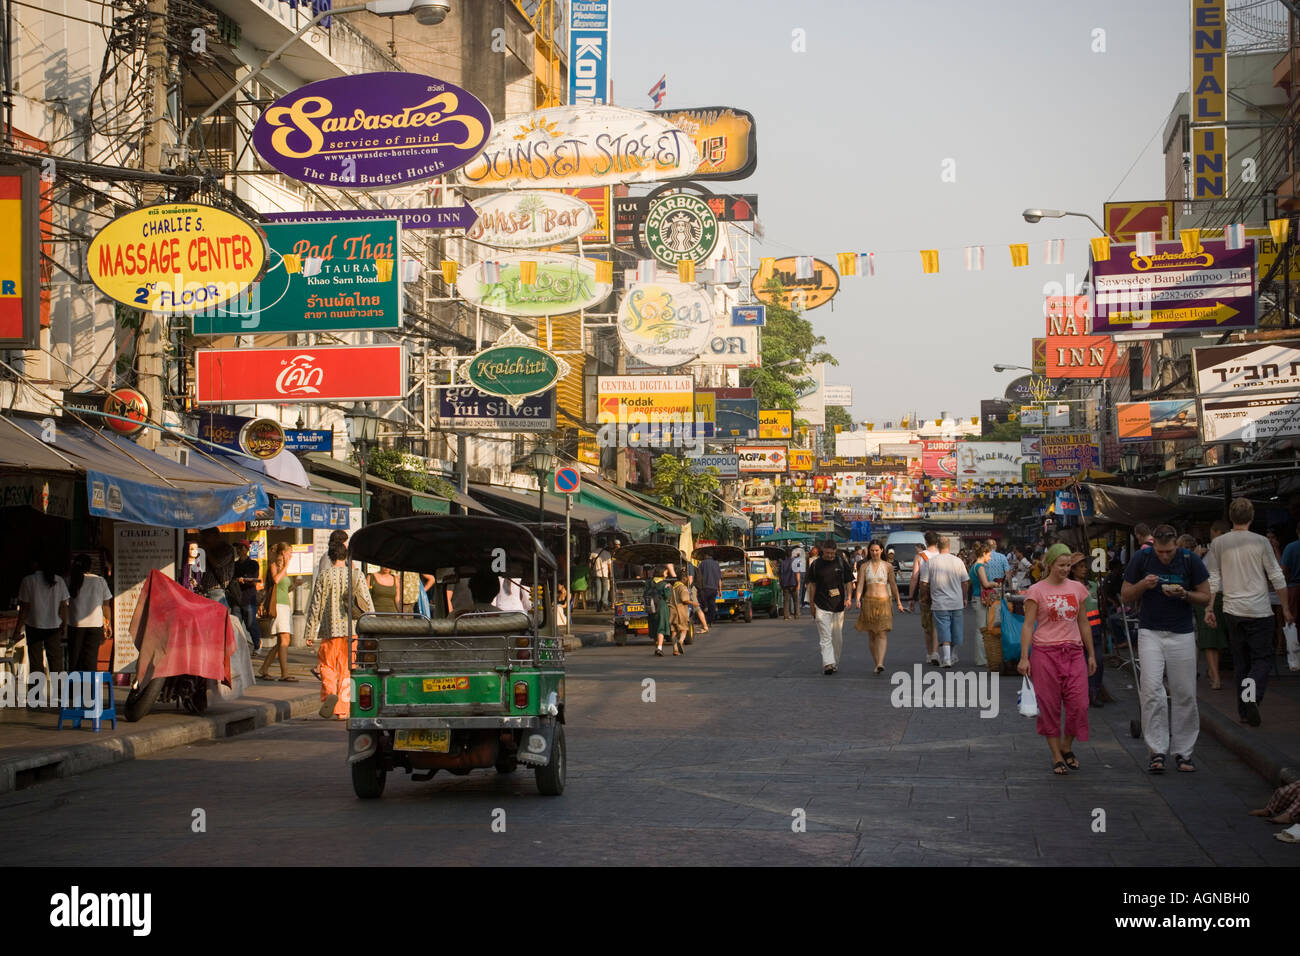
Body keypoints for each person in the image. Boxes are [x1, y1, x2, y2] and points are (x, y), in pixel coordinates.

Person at [1121, 526, 1210, 773]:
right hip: (1150, 630)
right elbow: (1126, 594)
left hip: (1181, 632)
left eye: (1168, 551)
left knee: (1185, 692)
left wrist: (1185, 594)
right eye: (1160, 552)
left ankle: (1183, 751)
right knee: (1150, 690)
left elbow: (1205, 596)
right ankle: (1157, 750)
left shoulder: (1189, 560)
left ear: (1176, 545)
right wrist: (1142, 585)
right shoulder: (1142, 557)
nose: (1164, 556)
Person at [1204, 498, 1294, 727]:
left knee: (1241, 660)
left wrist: (1209, 606)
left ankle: (1244, 710)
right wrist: (1284, 607)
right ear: (1252, 517)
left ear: (1231, 518)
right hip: (1259, 609)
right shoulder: (1261, 542)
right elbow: (1276, 575)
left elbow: (1213, 578)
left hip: (1232, 610)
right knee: (1262, 658)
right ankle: (1252, 693)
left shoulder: (1219, 543)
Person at [1020, 543, 1097, 775]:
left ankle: (1066, 746)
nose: (1065, 569)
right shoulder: (1037, 590)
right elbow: (1028, 625)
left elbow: (1084, 622)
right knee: (1050, 707)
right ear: (1050, 564)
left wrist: (1091, 653)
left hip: (1073, 652)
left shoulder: (1078, 589)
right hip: (1045, 654)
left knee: (1079, 705)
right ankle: (1056, 755)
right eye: (1061, 565)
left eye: (1068, 565)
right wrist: (1025, 657)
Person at [302, 540, 373, 719]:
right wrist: (372, 626)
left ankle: (330, 691)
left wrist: (310, 632)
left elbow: (315, 605)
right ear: (346, 556)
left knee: (327, 665)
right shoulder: (357, 575)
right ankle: (343, 709)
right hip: (352, 631)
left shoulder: (324, 576)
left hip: (329, 631)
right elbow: (368, 604)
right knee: (349, 669)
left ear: (331, 556)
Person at [15, 555, 70, 678]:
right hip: (54, 626)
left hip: (33, 625)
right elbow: (63, 605)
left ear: (35, 564)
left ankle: (36, 695)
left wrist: (18, 629)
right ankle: (60, 692)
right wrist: (64, 624)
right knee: (55, 661)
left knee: (35, 662)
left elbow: (24, 608)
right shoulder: (58, 580)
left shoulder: (28, 580)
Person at [853, 541, 904, 673]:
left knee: (882, 633)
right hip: (868, 602)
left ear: (882, 550)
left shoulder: (888, 566)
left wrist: (898, 601)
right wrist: (857, 599)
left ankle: (880, 662)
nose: (875, 553)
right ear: (869, 551)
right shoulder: (864, 566)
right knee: (871, 634)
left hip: (884, 602)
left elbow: (893, 585)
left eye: (877, 550)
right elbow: (860, 585)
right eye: (872, 550)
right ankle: (877, 662)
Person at [918, 536, 968, 668]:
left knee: (944, 629)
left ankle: (946, 658)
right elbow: (965, 582)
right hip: (956, 602)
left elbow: (923, 583)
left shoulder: (931, 562)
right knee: (955, 629)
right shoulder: (958, 561)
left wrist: (924, 596)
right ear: (949, 546)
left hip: (939, 603)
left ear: (938, 546)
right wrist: (964, 597)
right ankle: (952, 655)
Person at [807, 540, 855, 674]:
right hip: (821, 604)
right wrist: (811, 605)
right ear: (822, 550)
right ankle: (828, 663)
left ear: (835, 551)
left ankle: (834, 662)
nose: (830, 556)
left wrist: (849, 598)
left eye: (832, 553)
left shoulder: (840, 562)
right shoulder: (816, 564)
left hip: (838, 605)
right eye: (827, 553)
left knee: (837, 638)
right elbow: (812, 586)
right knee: (825, 636)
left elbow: (849, 581)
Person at [1191, 523, 1229, 690]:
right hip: (1215, 597)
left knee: (1214, 638)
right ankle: (1214, 674)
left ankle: (1214, 675)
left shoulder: (1213, 553)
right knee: (1212, 639)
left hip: (1214, 598)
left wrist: (1196, 558)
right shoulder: (1220, 552)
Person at [1068, 553, 1105, 708]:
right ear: (1073, 570)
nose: (1084, 570)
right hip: (1077, 630)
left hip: (1095, 629)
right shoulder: (1069, 587)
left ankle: (1094, 692)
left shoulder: (1093, 585)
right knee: (1081, 664)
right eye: (1080, 567)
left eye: (1085, 566)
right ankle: (1082, 693)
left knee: (1098, 662)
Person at [65, 554, 113, 673]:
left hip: (75, 626)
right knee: (90, 663)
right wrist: (108, 624)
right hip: (94, 626)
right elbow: (106, 606)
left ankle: (74, 690)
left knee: (74, 662)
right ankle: (90, 691)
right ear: (90, 566)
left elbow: (63, 605)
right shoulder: (99, 580)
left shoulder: (68, 580)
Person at [257, 542, 296, 682]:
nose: (291, 555)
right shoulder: (274, 566)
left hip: (285, 606)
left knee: (282, 641)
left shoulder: (284, 569)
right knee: (284, 639)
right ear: (283, 553)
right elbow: (275, 580)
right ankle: (284, 673)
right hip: (278, 606)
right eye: (289, 553)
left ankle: (264, 668)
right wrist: (285, 566)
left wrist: (294, 586)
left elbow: (284, 588)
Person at [908, 531, 941, 664]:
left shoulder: (920, 556)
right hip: (940, 592)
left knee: (927, 625)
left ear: (926, 542)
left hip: (925, 593)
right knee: (937, 624)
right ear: (937, 542)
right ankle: (935, 652)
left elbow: (915, 577)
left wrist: (911, 598)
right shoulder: (942, 555)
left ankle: (928, 653)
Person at [232, 540, 262, 651]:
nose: (238, 550)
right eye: (237, 548)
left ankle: (257, 644)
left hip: (249, 598)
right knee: (235, 625)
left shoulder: (253, 564)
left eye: (241, 548)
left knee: (250, 624)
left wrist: (243, 580)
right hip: (236, 598)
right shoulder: (234, 565)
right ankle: (235, 648)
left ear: (247, 550)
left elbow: (255, 580)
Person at [668, 573, 699, 656]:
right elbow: (684, 600)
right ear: (684, 579)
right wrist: (694, 603)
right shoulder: (683, 588)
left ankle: (675, 650)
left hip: (672, 612)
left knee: (674, 632)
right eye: (687, 578)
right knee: (684, 629)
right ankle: (681, 641)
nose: (688, 580)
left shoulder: (672, 587)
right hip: (681, 612)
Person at [646, 565, 674, 657]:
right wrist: (669, 588)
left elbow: (644, 594)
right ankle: (659, 648)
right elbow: (667, 596)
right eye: (666, 572)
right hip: (661, 607)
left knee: (654, 626)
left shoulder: (649, 582)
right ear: (662, 573)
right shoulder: (664, 584)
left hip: (651, 607)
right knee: (661, 627)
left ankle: (656, 646)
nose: (667, 574)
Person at [1281, 519, 1300, 625]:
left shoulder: (1290, 547)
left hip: (1294, 588)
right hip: (1294, 587)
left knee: (1293, 621)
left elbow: (1284, 570)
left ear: (1297, 531)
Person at [697, 550, 722, 625]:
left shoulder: (702, 563)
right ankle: (711, 621)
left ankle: (703, 621)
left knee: (702, 605)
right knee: (712, 604)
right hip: (714, 588)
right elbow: (719, 579)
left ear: (706, 555)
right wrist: (720, 590)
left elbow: (698, 576)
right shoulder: (716, 564)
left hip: (704, 588)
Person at [779, 550, 801, 620]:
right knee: (796, 600)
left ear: (785, 556)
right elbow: (797, 573)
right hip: (794, 583)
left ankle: (786, 616)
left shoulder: (782, 563)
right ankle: (796, 615)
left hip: (785, 584)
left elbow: (780, 574)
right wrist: (799, 583)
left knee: (786, 600)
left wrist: (781, 584)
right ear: (791, 555)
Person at [593, 543, 613, 612]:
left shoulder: (593, 552)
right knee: (605, 589)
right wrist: (611, 574)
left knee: (598, 590)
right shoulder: (607, 553)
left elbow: (590, 564)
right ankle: (604, 602)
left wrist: (591, 572)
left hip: (596, 574)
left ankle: (598, 607)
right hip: (605, 574)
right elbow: (609, 565)